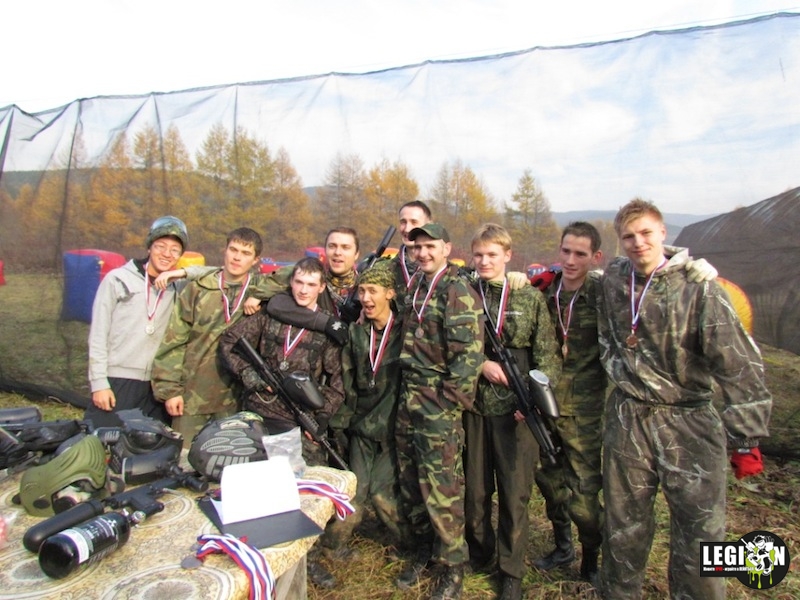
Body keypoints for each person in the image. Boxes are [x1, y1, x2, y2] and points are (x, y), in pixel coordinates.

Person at [597, 199, 771, 600]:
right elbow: (574, 275)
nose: (638, 242)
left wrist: (746, 436)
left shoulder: (699, 288)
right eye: (629, 236)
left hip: (688, 420)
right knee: (623, 525)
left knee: (701, 530)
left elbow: (738, 363)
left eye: (646, 233)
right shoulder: (614, 280)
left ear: (663, 233)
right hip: (629, 417)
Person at [218, 256, 345, 590]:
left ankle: (307, 560)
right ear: (292, 282)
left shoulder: (326, 330)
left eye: (311, 285)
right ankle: (255, 556)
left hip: (296, 422)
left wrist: (319, 419)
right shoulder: (268, 316)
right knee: (256, 494)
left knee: (304, 497)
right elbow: (229, 342)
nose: (303, 290)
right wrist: (251, 377)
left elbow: (337, 384)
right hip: (259, 415)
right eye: (299, 282)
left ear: (321, 287)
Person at [464, 224, 561, 600]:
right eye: (478, 254)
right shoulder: (463, 293)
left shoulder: (529, 297)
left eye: (492, 254)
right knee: (475, 491)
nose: (485, 261)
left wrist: (535, 403)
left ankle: (511, 571)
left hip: (516, 411)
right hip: (475, 406)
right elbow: (449, 344)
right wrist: (479, 365)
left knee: (514, 493)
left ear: (508, 255)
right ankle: (479, 552)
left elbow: (548, 356)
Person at [393, 223, 484, 600]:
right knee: (410, 477)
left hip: (437, 401)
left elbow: (469, 357)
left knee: (441, 485)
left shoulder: (456, 290)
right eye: (417, 247)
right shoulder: (416, 283)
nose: (423, 253)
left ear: (447, 248)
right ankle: (423, 550)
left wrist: (447, 404)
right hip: (408, 395)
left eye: (430, 246)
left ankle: (452, 566)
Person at [532, 222, 605, 584]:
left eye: (580, 254)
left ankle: (592, 553)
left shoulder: (604, 294)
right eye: (566, 251)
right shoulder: (545, 291)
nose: (571, 260)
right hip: (546, 405)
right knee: (549, 482)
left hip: (584, 412)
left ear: (596, 257)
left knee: (584, 495)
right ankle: (563, 546)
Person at [323, 261, 408, 558]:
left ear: (390, 293)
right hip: (362, 428)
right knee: (354, 491)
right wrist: (338, 424)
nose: (366, 298)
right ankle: (332, 546)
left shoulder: (407, 333)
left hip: (394, 431)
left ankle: (409, 547)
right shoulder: (357, 334)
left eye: (373, 291)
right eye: (361, 291)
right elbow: (347, 383)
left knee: (382, 494)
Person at [151, 227, 263, 445]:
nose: (237, 257)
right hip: (192, 397)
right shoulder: (199, 288)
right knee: (185, 456)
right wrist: (170, 390)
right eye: (233, 250)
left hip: (236, 401)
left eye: (245, 253)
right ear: (225, 250)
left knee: (228, 458)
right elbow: (174, 342)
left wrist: (259, 295)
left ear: (256, 259)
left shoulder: (260, 290)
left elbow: (295, 275)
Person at [86, 215, 188, 428]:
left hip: (156, 387)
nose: (167, 254)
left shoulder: (177, 287)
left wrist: (184, 272)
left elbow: (218, 274)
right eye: (160, 246)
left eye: (175, 250)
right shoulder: (117, 279)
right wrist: (99, 383)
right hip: (118, 379)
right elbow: (98, 335)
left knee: (151, 445)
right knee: (103, 441)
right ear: (149, 247)